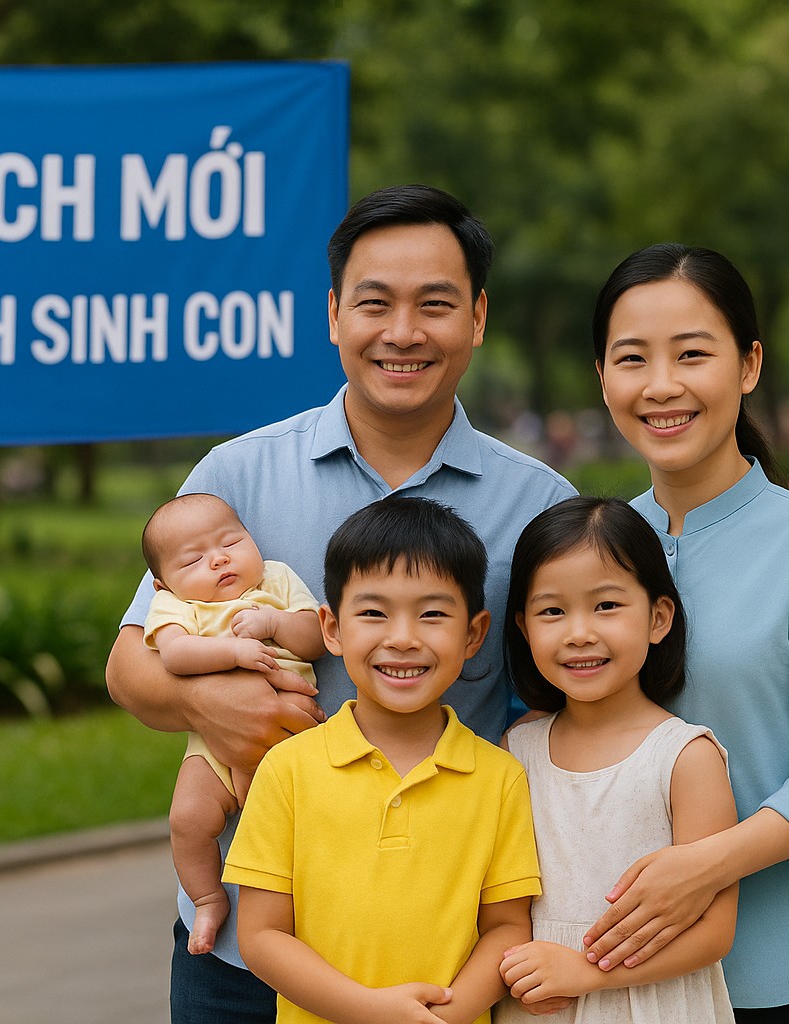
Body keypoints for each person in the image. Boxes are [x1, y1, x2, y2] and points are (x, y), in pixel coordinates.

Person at [105, 184, 575, 1023]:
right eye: (374, 303)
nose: (402, 332)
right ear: (332, 315)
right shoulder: (235, 478)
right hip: (247, 956)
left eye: (435, 304)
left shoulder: (539, 504)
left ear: (478, 317)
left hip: (441, 953)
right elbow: (129, 665)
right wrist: (212, 704)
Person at [582, 244, 789, 1021]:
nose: (661, 386)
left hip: (776, 972)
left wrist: (702, 867)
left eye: (692, 354)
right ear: (602, 377)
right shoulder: (598, 549)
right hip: (620, 969)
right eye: (632, 359)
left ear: (749, 365)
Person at [225, 495, 541, 1024]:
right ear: (331, 629)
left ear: (474, 634)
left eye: (432, 614)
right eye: (373, 613)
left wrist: (442, 1017)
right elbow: (261, 935)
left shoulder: (501, 777)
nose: (402, 638)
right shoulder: (286, 768)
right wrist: (373, 1012)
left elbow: (507, 927)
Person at [495, 496, 737, 1023]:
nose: (580, 632)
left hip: (652, 1002)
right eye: (552, 611)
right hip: (538, 1001)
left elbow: (715, 932)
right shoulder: (517, 748)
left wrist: (587, 972)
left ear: (658, 617)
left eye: (606, 606)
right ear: (523, 626)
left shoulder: (685, 757)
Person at [140, 493, 326, 956]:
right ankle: (207, 899)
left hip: (292, 736)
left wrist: (274, 622)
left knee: (293, 830)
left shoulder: (276, 580)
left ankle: (306, 916)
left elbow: (315, 639)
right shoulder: (177, 608)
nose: (219, 558)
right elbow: (177, 656)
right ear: (163, 585)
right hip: (213, 744)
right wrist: (234, 653)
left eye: (231, 542)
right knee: (187, 818)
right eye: (194, 560)